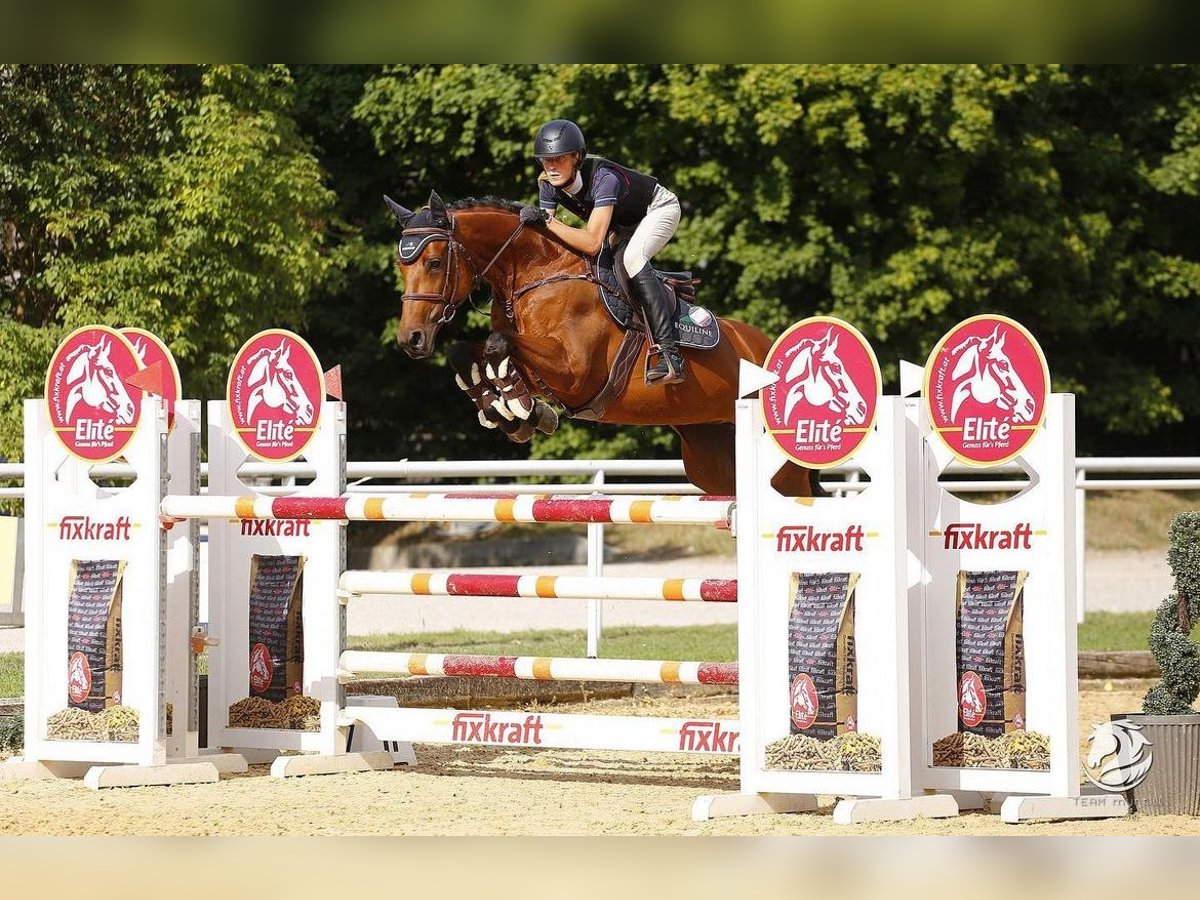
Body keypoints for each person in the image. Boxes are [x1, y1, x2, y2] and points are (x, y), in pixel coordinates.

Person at [519, 119, 685, 385]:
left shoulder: (604, 178)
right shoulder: (548, 185)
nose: (551, 167)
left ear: (576, 157)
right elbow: (548, 240)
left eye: (559, 159)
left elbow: (592, 241)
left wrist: (546, 221)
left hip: (658, 209)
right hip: (621, 223)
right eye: (545, 160)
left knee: (632, 259)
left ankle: (670, 355)